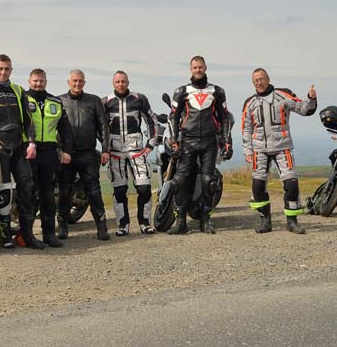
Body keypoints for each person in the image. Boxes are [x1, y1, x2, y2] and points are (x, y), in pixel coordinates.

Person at [0, 54, 46, 249]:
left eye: (7, 69)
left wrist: (32, 143)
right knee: (3, 190)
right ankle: (4, 235)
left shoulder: (18, 90)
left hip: (19, 147)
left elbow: (28, 120)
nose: (3, 72)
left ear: (11, 70)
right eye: (0, 69)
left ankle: (27, 235)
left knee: (27, 189)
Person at [241, 68, 317, 234]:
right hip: (259, 150)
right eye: (255, 80)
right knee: (257, 186)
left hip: (283, 147)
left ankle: (292, 222)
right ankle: (265, 221)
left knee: (291, 184)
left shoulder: (283, 95)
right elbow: (246, 128)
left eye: (261, 79)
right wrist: (247, 150)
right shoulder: (249, 103)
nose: (259, 82)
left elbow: (304, 109)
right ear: (253, 83)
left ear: (268, 79)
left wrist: (311, 99)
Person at [168, 56, 232, 235]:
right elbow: (173, 116)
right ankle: (181, 222)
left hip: (209, 142)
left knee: (208, 182)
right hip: (187, 140)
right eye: (195, 67)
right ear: (190, 69)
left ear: (205, 68)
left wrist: (227, 141)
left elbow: (224, 117)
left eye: (200, 67)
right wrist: (174, 141)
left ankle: (206, 220)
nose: (198, 70)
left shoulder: (217, 91)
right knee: (179, 181)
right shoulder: (181, 91)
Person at [57, 69, 111, 241]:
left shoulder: (94, 101)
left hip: (88, 153)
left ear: (84, 83)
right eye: (74, 81)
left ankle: (102, 227)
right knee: (64, 192)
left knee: (94, 192)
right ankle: (63, 226)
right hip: (67, 155)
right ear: (68, 82)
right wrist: (60, 151)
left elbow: (103, 127)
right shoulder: (59, 101)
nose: (77, 84)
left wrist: (105, 150)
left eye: (80, 81)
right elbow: (53, 128)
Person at [102, 71, 158, 236]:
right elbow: (99, 126)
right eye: (118, 82)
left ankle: (145, 222)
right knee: (119, 190)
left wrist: (150, 145)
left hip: (137, 150)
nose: (121, 84)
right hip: (115, 152)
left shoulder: (139, 99)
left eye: (123, 81)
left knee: (144, 188)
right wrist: (105, 148)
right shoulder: (105, 102)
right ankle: (122, 225)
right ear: (113, 83)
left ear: (128, 82)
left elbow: (151, 120)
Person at [25, 68, 73, 248]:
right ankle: (28, 236)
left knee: (48, 195)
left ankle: (49, 234)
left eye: (41, 81)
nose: (38, 84)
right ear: (29, 81)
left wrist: (67, 150)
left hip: (49, 152)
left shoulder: (55, 102)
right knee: (28, 194)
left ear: (46, 82)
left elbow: (65, 129)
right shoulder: (23, 99)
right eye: (35, 81)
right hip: (29, 152)